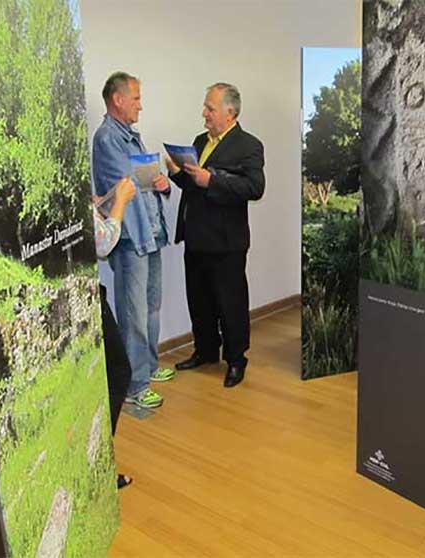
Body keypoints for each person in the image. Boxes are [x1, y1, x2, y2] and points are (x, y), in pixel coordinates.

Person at [166, 83, 265, 388]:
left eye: (210, 108)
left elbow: (254, 188)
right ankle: (206, 351)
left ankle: (236, 360)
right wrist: (177, 173)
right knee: (199, 300)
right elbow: (195, 184)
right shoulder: (199, 141)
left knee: (230, 303)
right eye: (206, 107)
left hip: (226, 241)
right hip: (196, 236)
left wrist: (212, 181)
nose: (204, 113)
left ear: (229, 112)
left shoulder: (248, 145)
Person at [92, 71, 175, 410]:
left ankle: (149, 367)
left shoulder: (131, 136)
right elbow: (124, 185)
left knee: (152, 307)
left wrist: (159, 181)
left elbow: (139, 179)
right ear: (118, 99)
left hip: (151, 235)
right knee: (134, 315)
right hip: (131, 239)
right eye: (136, 98)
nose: (140, 105)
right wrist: (145, 176)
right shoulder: (106, 138)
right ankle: (134, 386)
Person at [93, 177, 137, 489]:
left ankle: (95, 464)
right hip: (83, 296)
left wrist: (96, 206)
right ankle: (97, 467)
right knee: (118, 373)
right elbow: (103, 243)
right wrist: (119, 202)